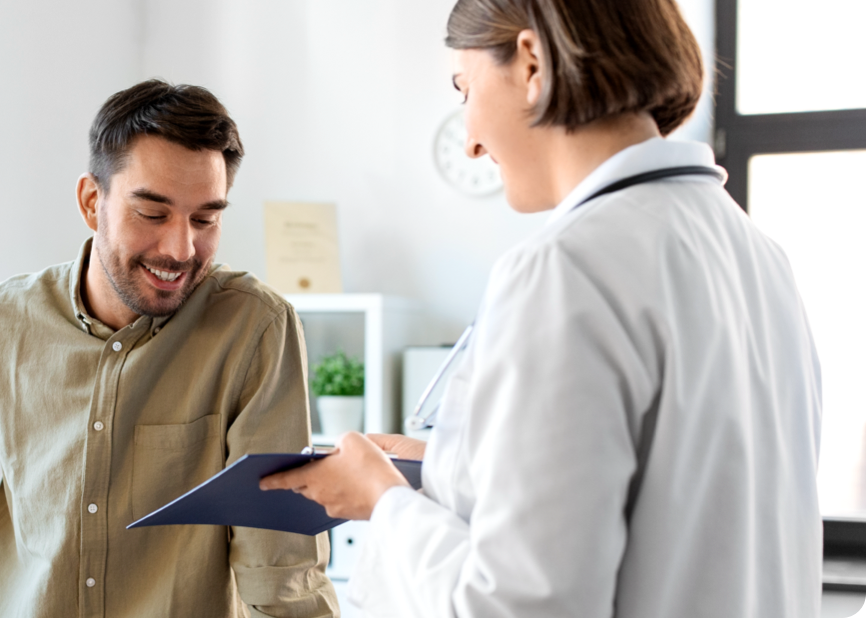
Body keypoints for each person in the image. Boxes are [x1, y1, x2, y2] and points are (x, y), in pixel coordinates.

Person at [262, 1, 822, 617]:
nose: (471, 141)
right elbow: (681, 490)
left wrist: (382, 498)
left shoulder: (566, 270)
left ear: (532, 62)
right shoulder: (760, 257)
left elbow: (520, 604)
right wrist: (460, 464)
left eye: (464, 89)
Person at [0, 79, 339, 618]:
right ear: (91, 201)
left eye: (205, 219)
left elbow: (281, 563)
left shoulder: (255, 328)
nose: (180, 249)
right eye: (153, 213)